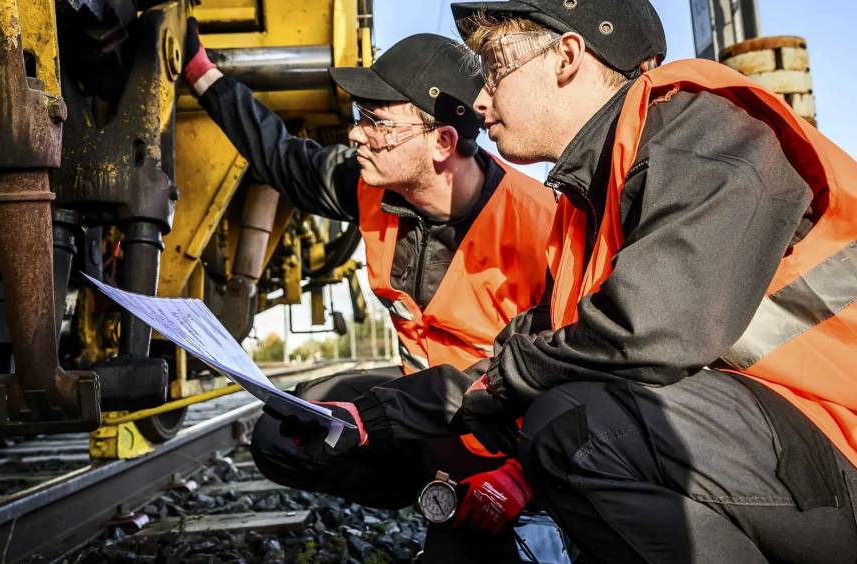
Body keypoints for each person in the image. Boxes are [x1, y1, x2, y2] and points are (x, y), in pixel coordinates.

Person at [300, 0, 857, 561]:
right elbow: (528, 352)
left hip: (840, 450)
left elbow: (643, 332)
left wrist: (498, 393)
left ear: (566, 56)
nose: (481, 98)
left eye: (493, 68)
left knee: (577, 427)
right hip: (783, 450)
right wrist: (377, 414)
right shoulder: (590, 203)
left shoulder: (705, 131)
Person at [183, 25, 557, 560]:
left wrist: (524, 473)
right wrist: (200, 71)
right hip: (420, 409)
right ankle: (430, 488)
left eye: (376, 122)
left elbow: (579, 373)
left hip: (507, 428)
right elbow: (280, 157)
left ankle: (480, 512)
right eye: (361, 118)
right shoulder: (370, 187)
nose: (357, 135)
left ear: (443, 142)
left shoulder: (540, 225)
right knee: (281, 434)